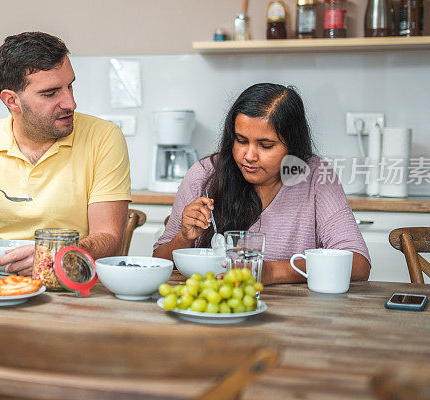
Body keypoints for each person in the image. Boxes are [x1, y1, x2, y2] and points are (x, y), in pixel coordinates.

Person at [0, 32, 131, 275]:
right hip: (2, 283)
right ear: (12, 101)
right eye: (50, 93)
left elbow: (109, 239)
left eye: (70, 86)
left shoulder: (104, 137)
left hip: (73, 284)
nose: (70, 103)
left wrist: (53, 255)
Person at [153, 83, 370, 285]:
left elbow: (359, 264)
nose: (249, 155)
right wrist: (183, 237)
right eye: (241, 141)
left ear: (292, 147)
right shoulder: (204, 174)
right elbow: (159, 260)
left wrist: (273, 271)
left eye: (265, 145)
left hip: (295, 317)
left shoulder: (316, 177)